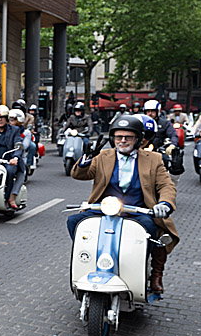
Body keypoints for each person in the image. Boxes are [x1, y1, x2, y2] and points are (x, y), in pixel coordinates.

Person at [68, 114, 178, 294]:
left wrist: (164, 204)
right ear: (113, 139)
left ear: (138, 139)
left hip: (138, 211)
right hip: (104, 209)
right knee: (75, 222)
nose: (123, 140)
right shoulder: (103, 156)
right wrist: (86, 159)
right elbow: (79, 175)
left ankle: (151, 272)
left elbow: (166, 185)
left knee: (154, 231)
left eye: (128, 137)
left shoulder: (154, 159)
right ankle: (89, 258)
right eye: (119, 137)